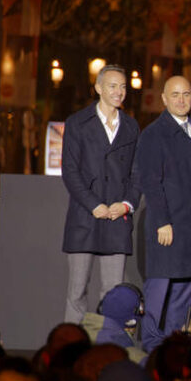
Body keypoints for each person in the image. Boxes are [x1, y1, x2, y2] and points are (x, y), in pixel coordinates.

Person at [61, 65, 139, 323]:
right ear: (98, 89)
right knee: (77, 291)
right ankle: (71, 348)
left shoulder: (131, 126)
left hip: (117, 219)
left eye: (123, 86)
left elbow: (136, 174)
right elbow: (70, 171)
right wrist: (93, 204)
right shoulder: (77, 123)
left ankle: (109, 348)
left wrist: (126, 204)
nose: (119, 92)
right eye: (113, 86)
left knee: (114, 293)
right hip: (84, 217)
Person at [136, 76, 191, 352]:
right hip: (166, 222)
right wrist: (162, 221)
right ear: (163, 98)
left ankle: (174, 345)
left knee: (185, 285)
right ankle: (151, 345)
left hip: (190, 223)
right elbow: (150, 182)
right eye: (175, 94)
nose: (181, 100)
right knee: (159, 285)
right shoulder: (153, 134)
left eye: (186, 94)